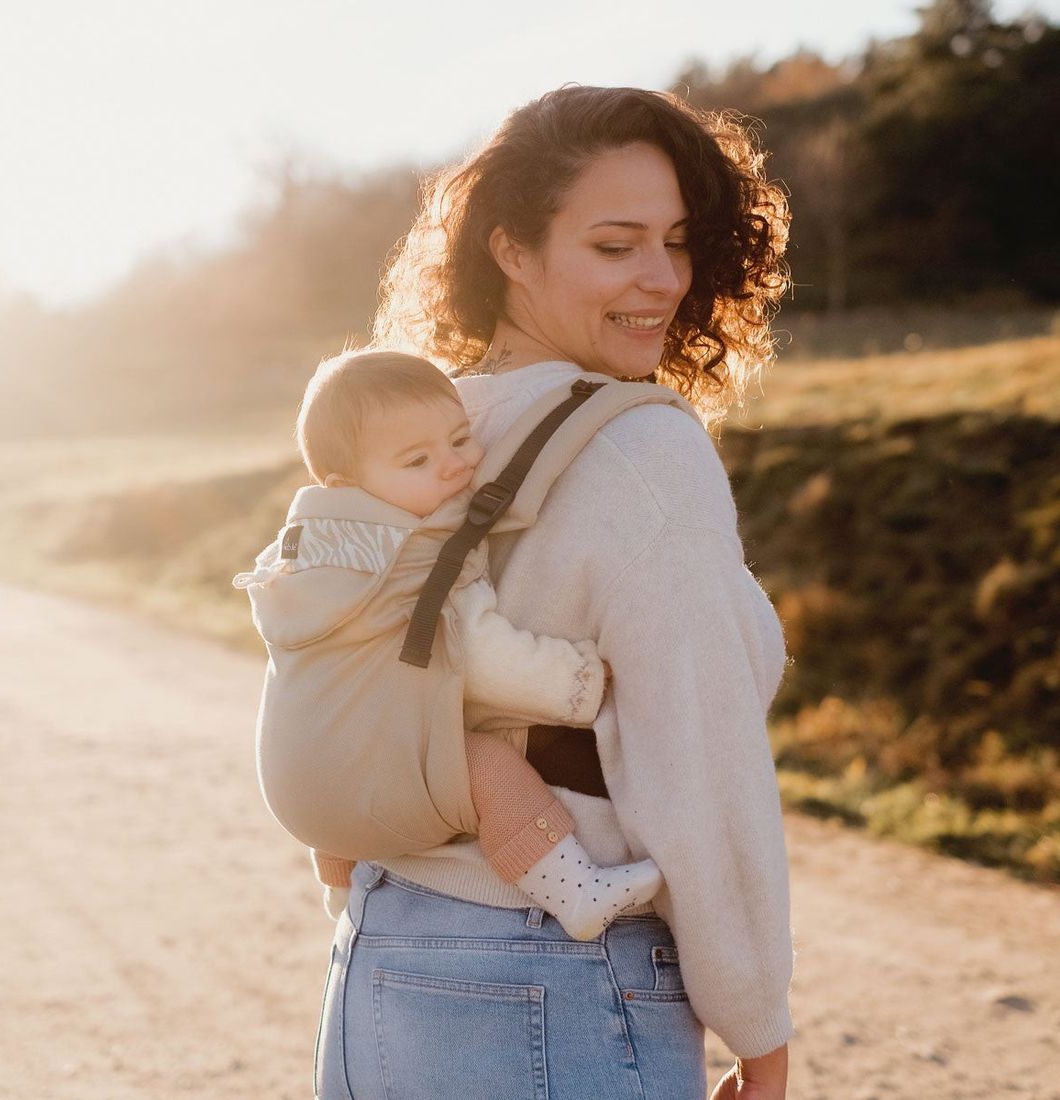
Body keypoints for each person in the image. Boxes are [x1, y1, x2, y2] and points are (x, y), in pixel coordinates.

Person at [311, 86, 794, 1100]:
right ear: (511, 252)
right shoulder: (640, 446)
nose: (660, 279)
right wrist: (758, 1019)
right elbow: (697, 758)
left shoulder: (410, 443)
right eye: (613, 246)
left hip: (381, 955)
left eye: (676, 240)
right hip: (555, 975)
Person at [236, 347, 664, 942]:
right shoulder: (415, 558)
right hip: (369, 787)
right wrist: (582, 679)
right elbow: (482, 657)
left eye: (461, 439)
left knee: (338, 747)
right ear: (346, 484)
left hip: (298, 795)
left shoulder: (307, 556)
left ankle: (342, 893)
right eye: (417, 459)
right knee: (490, 769)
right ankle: (578, 892)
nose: (453, 466)